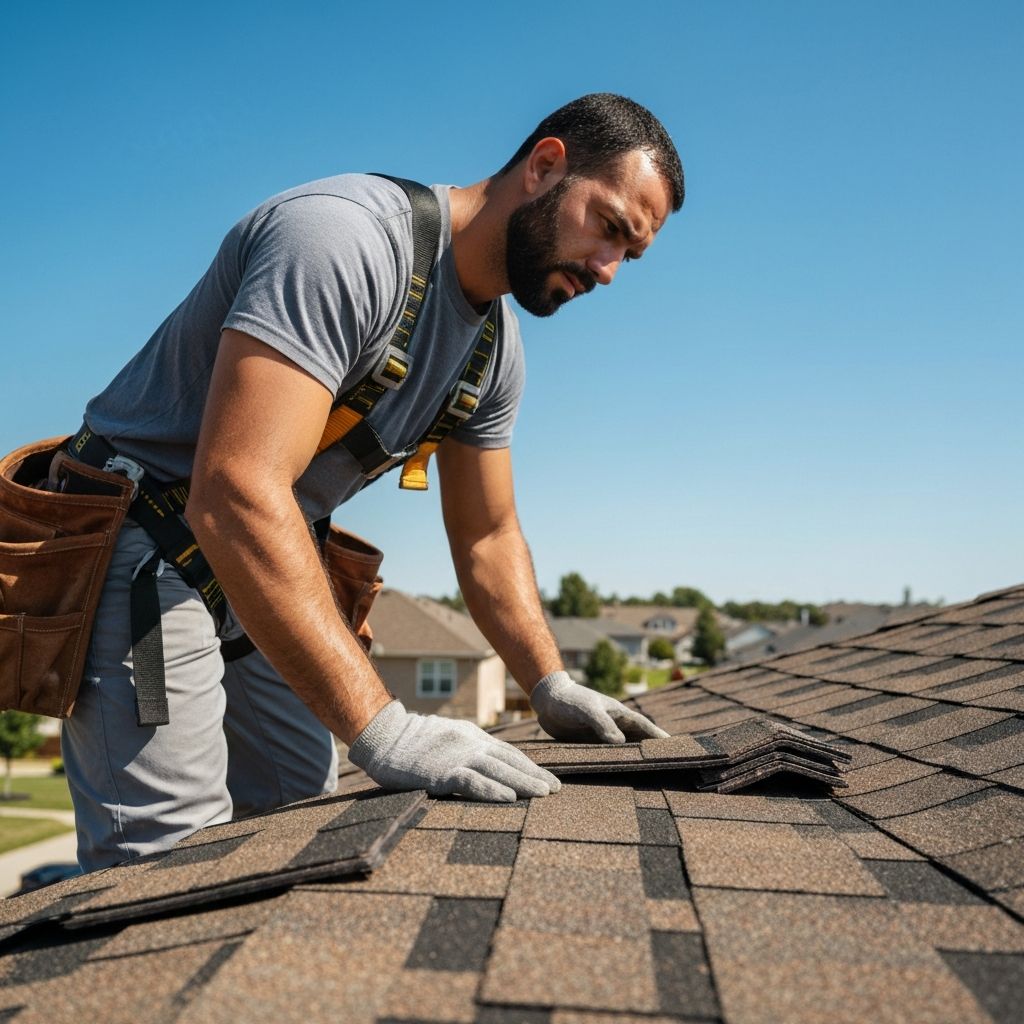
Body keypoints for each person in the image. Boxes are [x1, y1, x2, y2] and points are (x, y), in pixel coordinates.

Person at [63, 93, 685, 871]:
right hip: (149, 553)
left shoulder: (492, 351)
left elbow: (489, 536)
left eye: (632, 253)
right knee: (167, 865)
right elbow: (234, 489)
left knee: (299, 811)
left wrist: (548, 680)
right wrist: (385, 730)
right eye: (610, 227)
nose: (609, 270)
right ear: (545, 167)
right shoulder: (345, 240)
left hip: (260, 560)